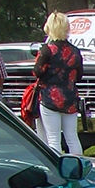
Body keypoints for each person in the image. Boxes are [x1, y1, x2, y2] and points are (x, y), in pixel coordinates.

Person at [32, 11, 85, 154]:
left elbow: (37, 72)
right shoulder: (75, 51)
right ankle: (78, 166)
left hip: (50, 97)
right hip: (70, 98)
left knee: (53, 138)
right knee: (72, 137)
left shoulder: (47, 50)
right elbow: (79, 75)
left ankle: (56, 169)